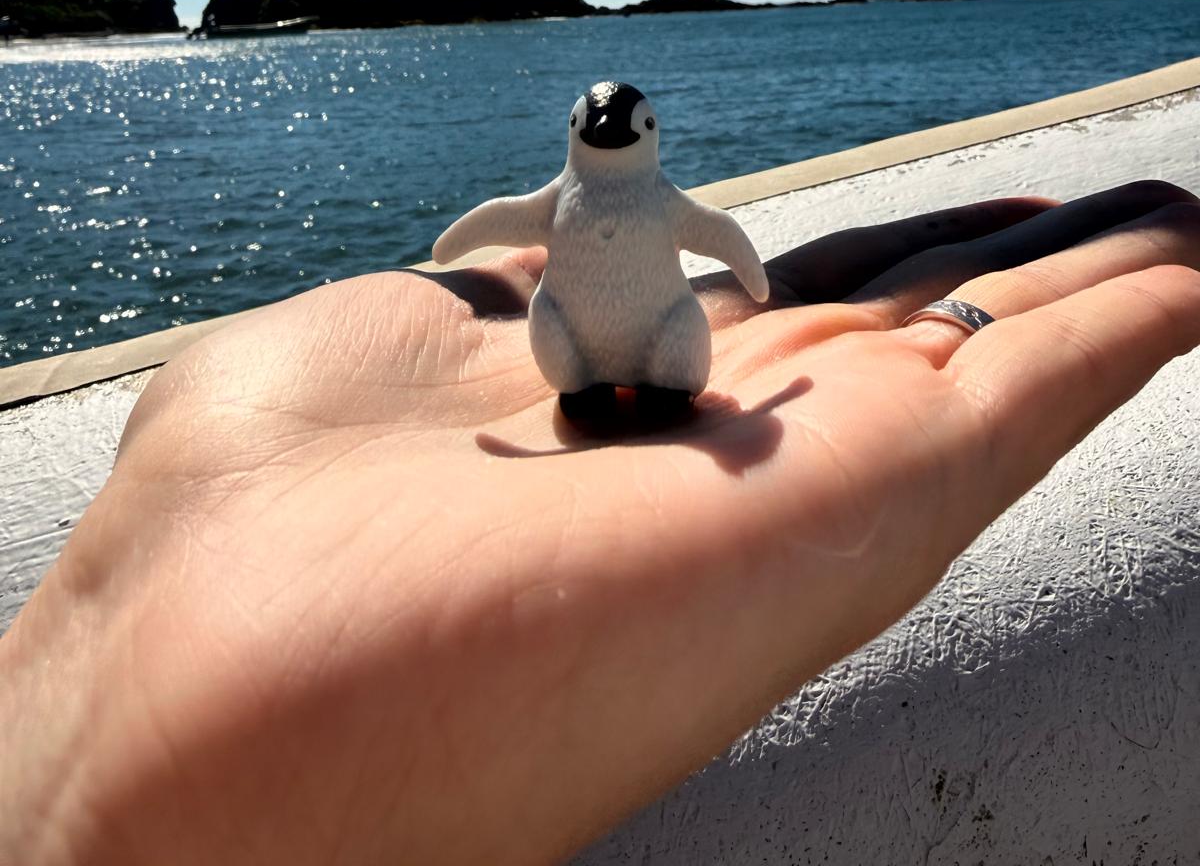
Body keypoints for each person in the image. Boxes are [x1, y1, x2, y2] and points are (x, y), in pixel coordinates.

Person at [2, 179, 1198, 865]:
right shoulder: (568, 200)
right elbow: (506, 223)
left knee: (666, 337)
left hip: (668, 359)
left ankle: (643, 381)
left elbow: (711, 240)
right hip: (579, 365)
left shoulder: (634, 196)